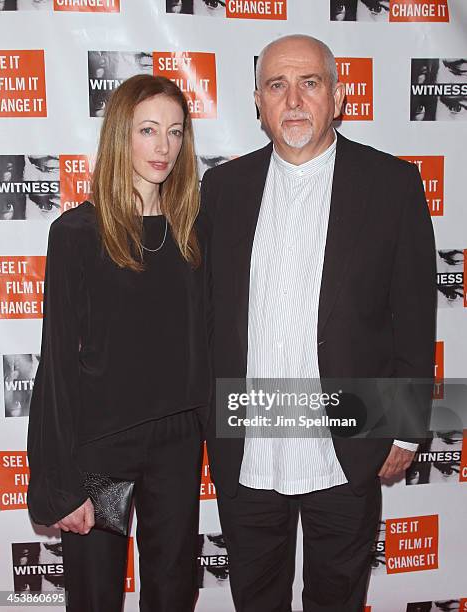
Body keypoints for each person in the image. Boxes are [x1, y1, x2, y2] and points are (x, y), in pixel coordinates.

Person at [200, 34, 436, 611]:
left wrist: (404, 428)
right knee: (256, 599)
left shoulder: (392, 185)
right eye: (277, 86)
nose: (294, 100)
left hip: (347, 442)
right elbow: (205, 317)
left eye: (310, 82)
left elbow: (412, 316)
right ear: (258, 103)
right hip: (249, 443)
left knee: (336, 597)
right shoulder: (224, 189)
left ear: (338, 96)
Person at [27, 74, 210, 612]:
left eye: (175, 133)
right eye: (148, 130)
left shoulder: (194, 232)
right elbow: (57, 362)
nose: (163, 147)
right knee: (94, 598)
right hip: (100, 446)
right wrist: (60, 482)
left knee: (174, 592)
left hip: (178, 440)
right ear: (119, 137)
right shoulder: (77, 234)